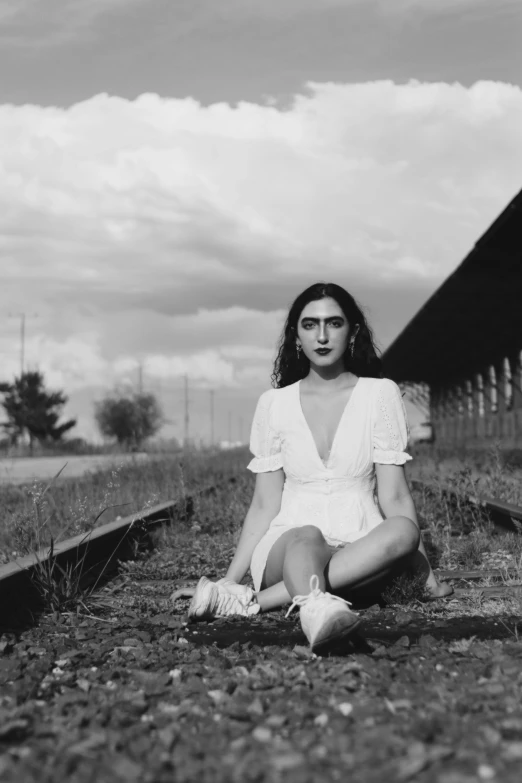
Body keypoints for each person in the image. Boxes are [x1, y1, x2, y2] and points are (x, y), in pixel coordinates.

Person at [186, 282, 452, 651]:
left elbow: (394, 495)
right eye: (310, 325)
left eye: (334, 324)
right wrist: (229, 578)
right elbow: (265, 504)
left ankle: (255, 603)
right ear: (296, 335)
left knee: (404, 531)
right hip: (288, 545)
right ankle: (310, 603)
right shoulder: (274, 404)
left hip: (359, 546)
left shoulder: (379, 394)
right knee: (305, 534)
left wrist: (428, 577)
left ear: (353, 331)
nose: (322, 336)